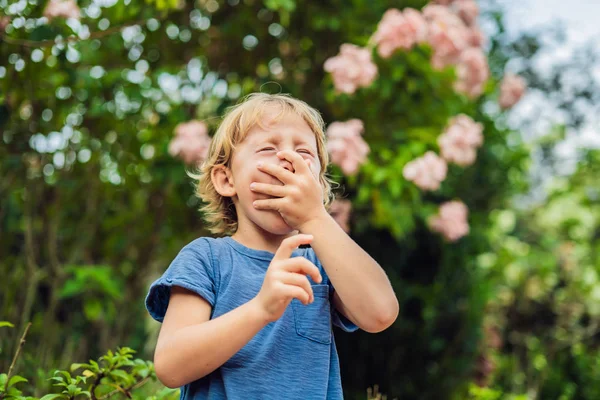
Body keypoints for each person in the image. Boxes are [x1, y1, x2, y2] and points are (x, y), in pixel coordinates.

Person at [145, 93, 399, 399]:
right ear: (227, 181)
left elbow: (380, 314)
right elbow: (171, 366)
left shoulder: (322, 264)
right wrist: (260, 309)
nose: (289, 159)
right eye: (268, 148)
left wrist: (316, 216)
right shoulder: (205, 259)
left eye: (304, 152)